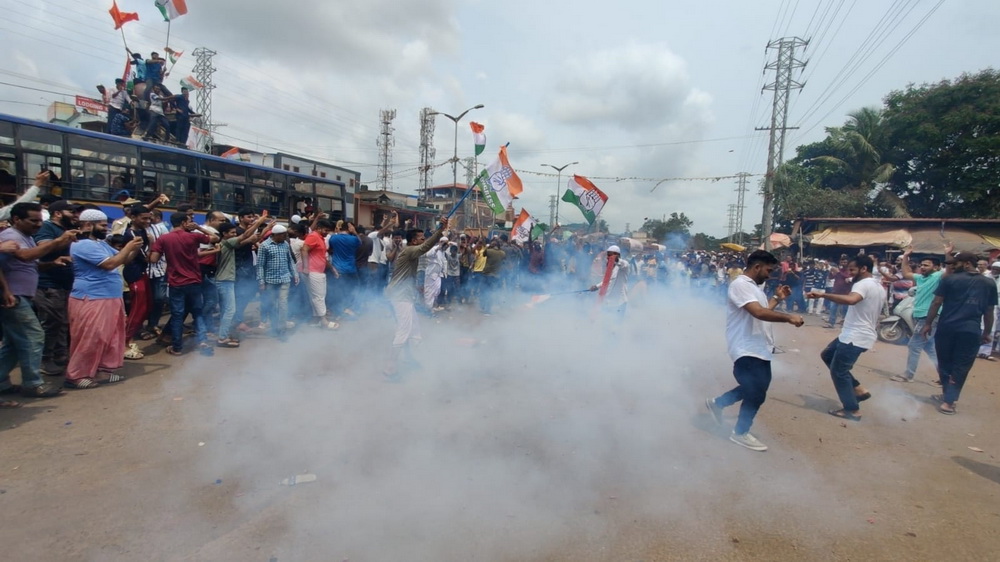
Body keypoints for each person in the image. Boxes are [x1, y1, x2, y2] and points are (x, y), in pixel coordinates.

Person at [706, 250, 804, 452]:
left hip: (759, 347)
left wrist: (777, 298)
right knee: (756, 391)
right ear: (757, 267)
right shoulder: (740, 284)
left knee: (755, 388)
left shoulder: (754, 288)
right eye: (768, 270)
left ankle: (717, 403)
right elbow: (758, 312)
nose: (769, 275)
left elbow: (762, 309)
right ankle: (740, 433)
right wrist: (788, 317)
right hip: (745, 346)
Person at [0, 201, 79, 400]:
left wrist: (52, 263)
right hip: (13, 296)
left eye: (39, 221)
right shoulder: (10, 236)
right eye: (33, 221)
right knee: (33, 336)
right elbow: (25, 257)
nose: (38, 225)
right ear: (17, 219)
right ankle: (33, 384)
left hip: (21, 294)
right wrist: (57, 241)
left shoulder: (25, 237)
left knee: (14, 343)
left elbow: (30, 265)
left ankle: (1, 382)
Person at [63, 210, 143, 389]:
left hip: (110, 297)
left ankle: (102, 371)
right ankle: (76, 375)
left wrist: (135, 248)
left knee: (111, 337)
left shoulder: (101, 244)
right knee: (91, 337)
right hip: (92, 298)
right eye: (102, 224)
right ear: (88, 225)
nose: (105, 228)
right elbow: (110, 264)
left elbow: (123, 259)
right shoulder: (83, 245)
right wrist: (129, 247)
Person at [807, 254, 885, 422]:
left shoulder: (863, 284)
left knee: (839, 371)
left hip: (856, 336)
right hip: (852, 334)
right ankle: (858, 389)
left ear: (864, 269)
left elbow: (852, 300)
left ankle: (852, 409)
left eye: (852, 269)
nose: (849, 273)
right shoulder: (877, 285)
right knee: (827, 355)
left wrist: (823, 295)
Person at [923, 252, 997, 414]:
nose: (952, 266)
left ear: (967, 263)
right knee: (961, 365)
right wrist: (986, 332)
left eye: (956, 263)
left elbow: (936, 302)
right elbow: (989, 310)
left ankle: (948, 398)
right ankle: (948, 401)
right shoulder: (989, 283)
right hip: (971, 330)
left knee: (945, 363)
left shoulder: (949, 280)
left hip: (947, 328)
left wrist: (928, 324)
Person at [384, 218, 448, 377]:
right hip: (400, 296)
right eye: (421, 238)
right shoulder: (410, 250)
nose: (423, 240)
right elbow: (426, 247)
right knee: (404, 330)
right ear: (413, 241)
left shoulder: (409, 251)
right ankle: (390, 366)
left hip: (403, 294)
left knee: (412, 329)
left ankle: (409, 357)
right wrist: (440, 230)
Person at [148, 213, 219, 356]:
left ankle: (177, 347)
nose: (192, 223)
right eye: (189, 221)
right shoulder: (193, 237)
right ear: (183, 223)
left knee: (177, 315)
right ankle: (203, 341)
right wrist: (199, 227)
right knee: (197, 312)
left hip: (176, 283)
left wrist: (151, 244)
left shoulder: (164, 238)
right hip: (194, 281)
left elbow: (154, 259)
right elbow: (216, 238)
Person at [33, 199, 78, 377]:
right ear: (58, 214)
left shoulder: (64, 230)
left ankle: (60, 355)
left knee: (62, 322)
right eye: (71, 211)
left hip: (63, 284)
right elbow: (42, 248)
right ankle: (45, 359)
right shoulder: (48, 228)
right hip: (48, 285)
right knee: (51, 323)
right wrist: (63, 239)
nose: (75, 215)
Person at [890, 247, 943, 383]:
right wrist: (906, 256)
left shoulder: (938, 276)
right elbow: (906, 272)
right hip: (920, 316)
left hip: (929, 318)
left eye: (926, 265)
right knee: (929, 347)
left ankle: (908, 375)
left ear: (936, 267)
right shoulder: (921, 278)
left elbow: (948, 271)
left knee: (914, 345)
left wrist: (948, 254)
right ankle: (944, 377)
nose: (922, 267)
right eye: (921, 265)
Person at [214, 217, 265, 347]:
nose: (235, 235)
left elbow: (247, 239)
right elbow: (246, 235)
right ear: (224, 234)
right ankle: (223, 337)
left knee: (228, 309)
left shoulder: (225, 243)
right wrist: (260, 221)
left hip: (225, 280)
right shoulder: (226, 243)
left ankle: (225, 334)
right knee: (230, 310)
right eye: (232, 233)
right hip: (225, 280)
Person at [256, 224, 299, 340]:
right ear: (275, 235)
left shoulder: (285, 244)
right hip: (270, 280)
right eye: (283, 235)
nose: (285, 237)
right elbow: (260, 265)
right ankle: (275, 326)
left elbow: (290, 261)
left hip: (285, 278)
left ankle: (282, 329)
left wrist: (295, 274)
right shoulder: (264, 246)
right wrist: (261, 281)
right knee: (272, 304)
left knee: (283, 304)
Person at [300, 218, 339, 329]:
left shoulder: (320, 238)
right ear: (319, 228)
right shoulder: (313, 236)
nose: (327, 233)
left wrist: (332, 269)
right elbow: (304, 250)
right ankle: (324, 321)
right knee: (319, 297)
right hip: (313, 271)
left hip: (317, 271)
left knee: (315, 296)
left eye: (328, 231)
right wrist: (306, 267)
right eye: (325, 230)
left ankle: (316, 319)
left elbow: (322, 257)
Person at [590, 244, 629, 319]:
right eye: (609, 254)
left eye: (612, 254)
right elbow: (607, 281)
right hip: (608, 301)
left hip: (620, 301)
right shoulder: (609, 267)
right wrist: (596, 286)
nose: (610, 256)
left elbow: (625, 264)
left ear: (618, 255)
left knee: (616, 324)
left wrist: (616, 260)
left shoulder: (622, 266)